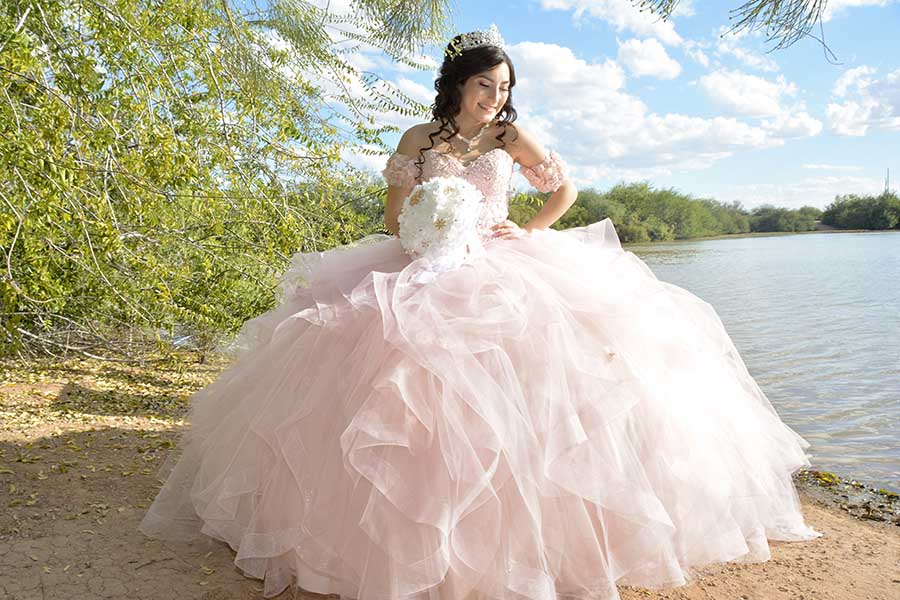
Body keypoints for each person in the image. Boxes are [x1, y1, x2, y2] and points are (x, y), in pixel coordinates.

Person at [139, 24, 821, 600]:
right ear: (458, 87)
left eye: (504, 89)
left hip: (502, 262)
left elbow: (564, 189)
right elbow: (393, 216)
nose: (496, 99)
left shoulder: (508, 141)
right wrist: (417, 232)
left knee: (529, 394)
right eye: (486, 87)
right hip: (423, 264)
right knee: (402, 391)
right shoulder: (419, 139)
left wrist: (533, 230)